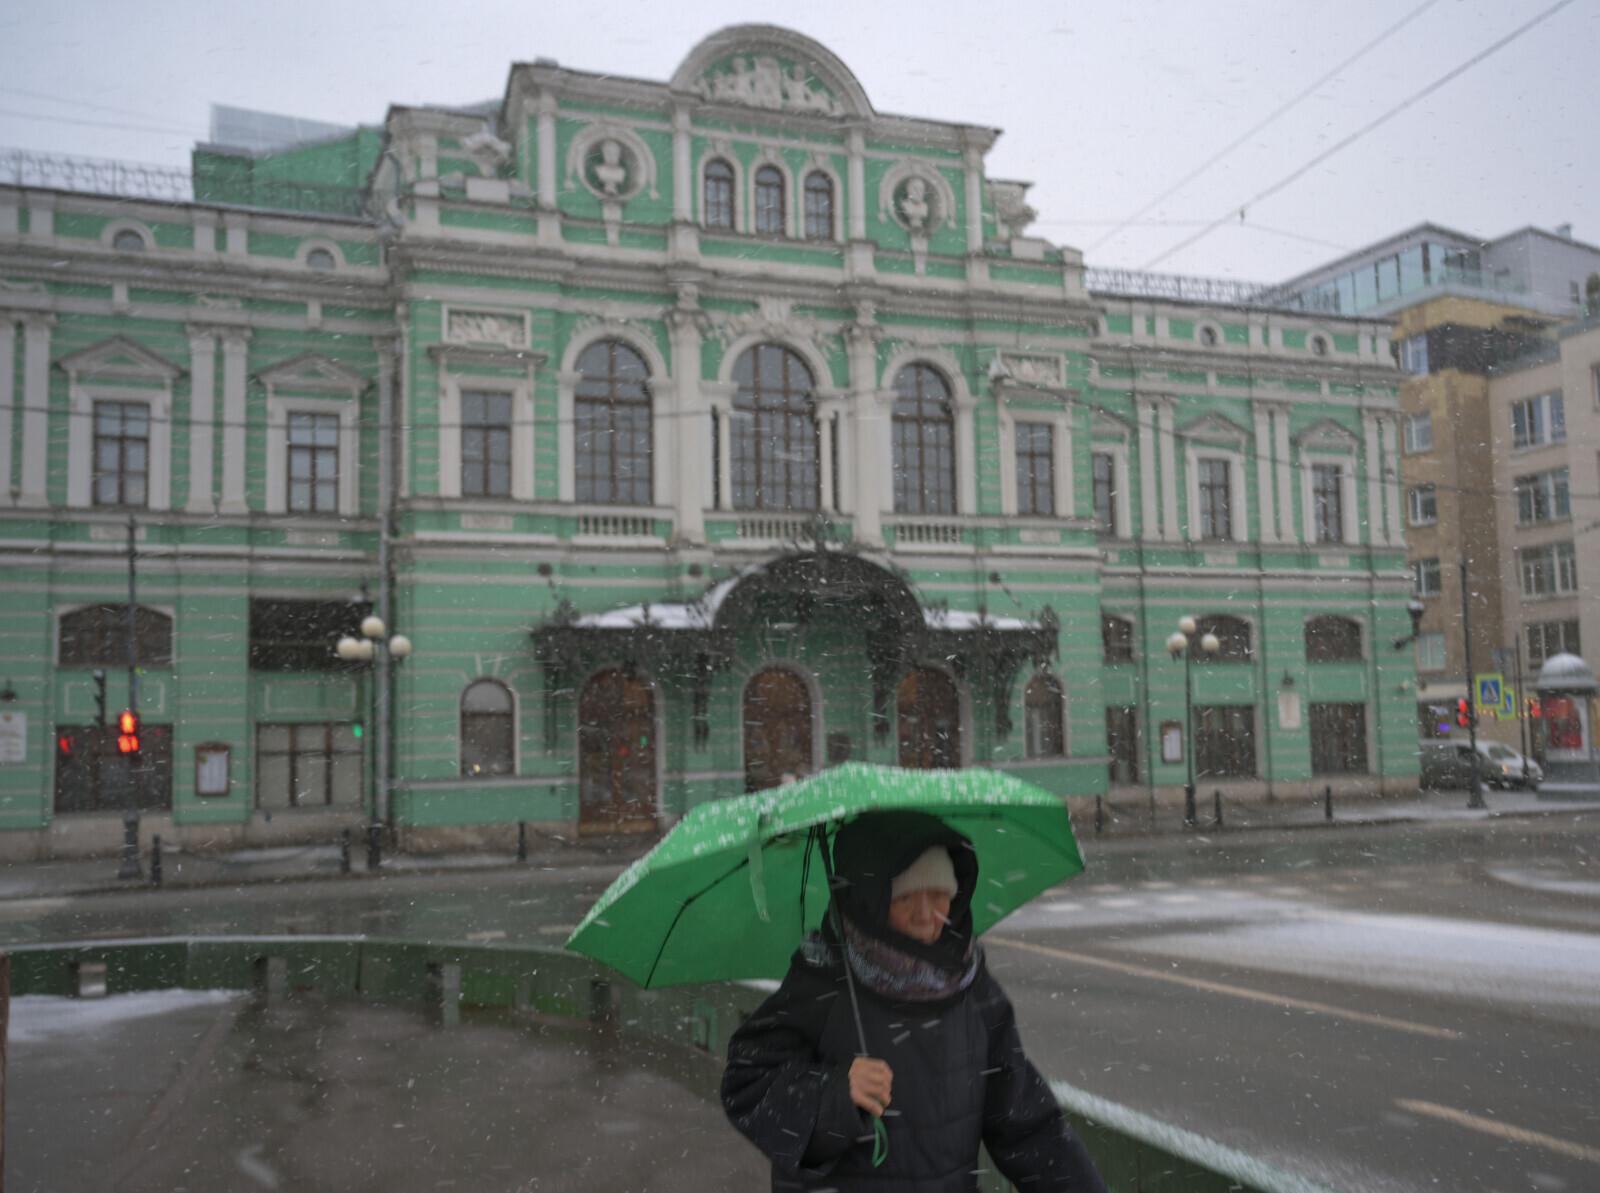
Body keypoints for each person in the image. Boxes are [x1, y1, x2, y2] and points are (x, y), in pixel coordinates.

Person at [722, 810, 1106, 1192]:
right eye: (905, 898)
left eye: (939, 895)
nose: (926, 916)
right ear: (871, 897)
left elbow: (1027, 1125)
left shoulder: (971, 984)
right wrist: (833, 1095)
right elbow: (748, 1083)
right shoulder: (824, 976)